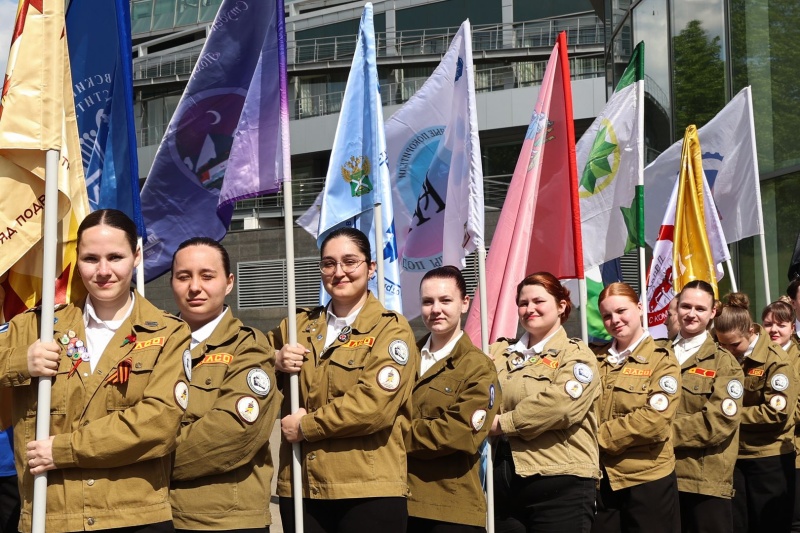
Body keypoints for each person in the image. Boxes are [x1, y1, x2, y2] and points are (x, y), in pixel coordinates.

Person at [0, 209, 190, 532]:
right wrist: (21, 362)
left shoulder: (168, 333)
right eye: (91, 259)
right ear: (77, 260)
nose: (103, 271)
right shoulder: (39, 326)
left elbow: (158, 423)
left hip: (134, 517)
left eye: (115, 257)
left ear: (137, 256)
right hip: (53, 518)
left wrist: (62, 450)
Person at [271, 227, 417, 533]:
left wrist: (305, 426)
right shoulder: (296, 326)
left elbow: (373, 406)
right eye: (328, 263)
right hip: (301, 485)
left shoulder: (391, 330)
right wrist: (276, 360)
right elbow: (249, 366)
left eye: (350, 261)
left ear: (371, 267)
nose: (339, 272)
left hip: (366, 490)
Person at [168, 238, 281, 533]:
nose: (195, 287)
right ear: (172, 282)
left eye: (207, 276)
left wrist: (143, 464)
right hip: (156, 514)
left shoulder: (249, 345)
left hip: (223, 519)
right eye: (184, 276)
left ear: (228, 282)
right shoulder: (153, 344)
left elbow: (232, 432)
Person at [489, 272, 599, 533]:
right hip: (503, 484)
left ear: (561, 306)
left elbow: (560, 406)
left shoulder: (577, 354)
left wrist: (502, 423)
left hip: (561, 485)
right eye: (523, 303)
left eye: (539, 301)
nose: (530, 309)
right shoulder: (497, 353)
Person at [406, 266, 500, 533]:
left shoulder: (478, 367)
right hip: (397, 502)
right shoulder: (402, 360)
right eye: (428, 301)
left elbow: (459, 432)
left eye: (445, 300)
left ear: (464, 303)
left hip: (449, 509)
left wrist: (392, 436)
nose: (436, 309)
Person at [592, 282, 681, 533]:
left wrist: (596, 438)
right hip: (602, 479)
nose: (615, 320)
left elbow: (654, 420)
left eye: (621, 311)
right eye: (607, 315)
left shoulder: (662, 360)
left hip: (647, 478)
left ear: (639, 308)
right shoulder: (593, 360)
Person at [714, 292, 797, 533]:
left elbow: (777, 412)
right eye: (722, 345)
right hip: (733, 457)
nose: (729, 351)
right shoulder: (722, 356)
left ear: (750, 331)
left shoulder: (776, 361)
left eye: (734, 345)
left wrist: (728, 415)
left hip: (767, 458)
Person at [671, 280, 743, 532]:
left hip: (702, 481)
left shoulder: (725, 365)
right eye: (686, 306)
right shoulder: (657, 354)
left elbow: (717, 423)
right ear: (676, 307)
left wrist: (658, 433)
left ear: (713, 312)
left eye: (700, 309)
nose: (691, 314)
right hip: (657, 476)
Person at [760, 299, 800, 533]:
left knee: (793, 519)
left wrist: (777, 418)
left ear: (792, 328)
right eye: (768, 324)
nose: (774, 330)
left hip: (793, 450)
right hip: (763, 451)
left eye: (780, 325)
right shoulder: (756, 356)